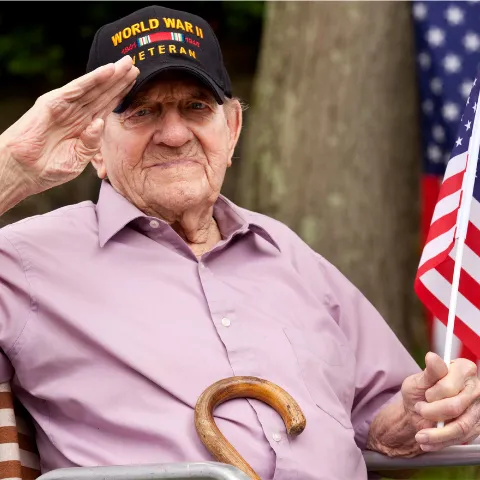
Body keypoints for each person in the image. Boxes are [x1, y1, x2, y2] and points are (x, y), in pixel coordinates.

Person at [0, 4, 479, 480]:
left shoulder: (287, 253)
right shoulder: (27, 261)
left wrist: (419, 413)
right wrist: (12, 170)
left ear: (231, 130)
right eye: (142, 111)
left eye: (196, 107)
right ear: (95, 144)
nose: (174, 135)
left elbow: (386, 412)